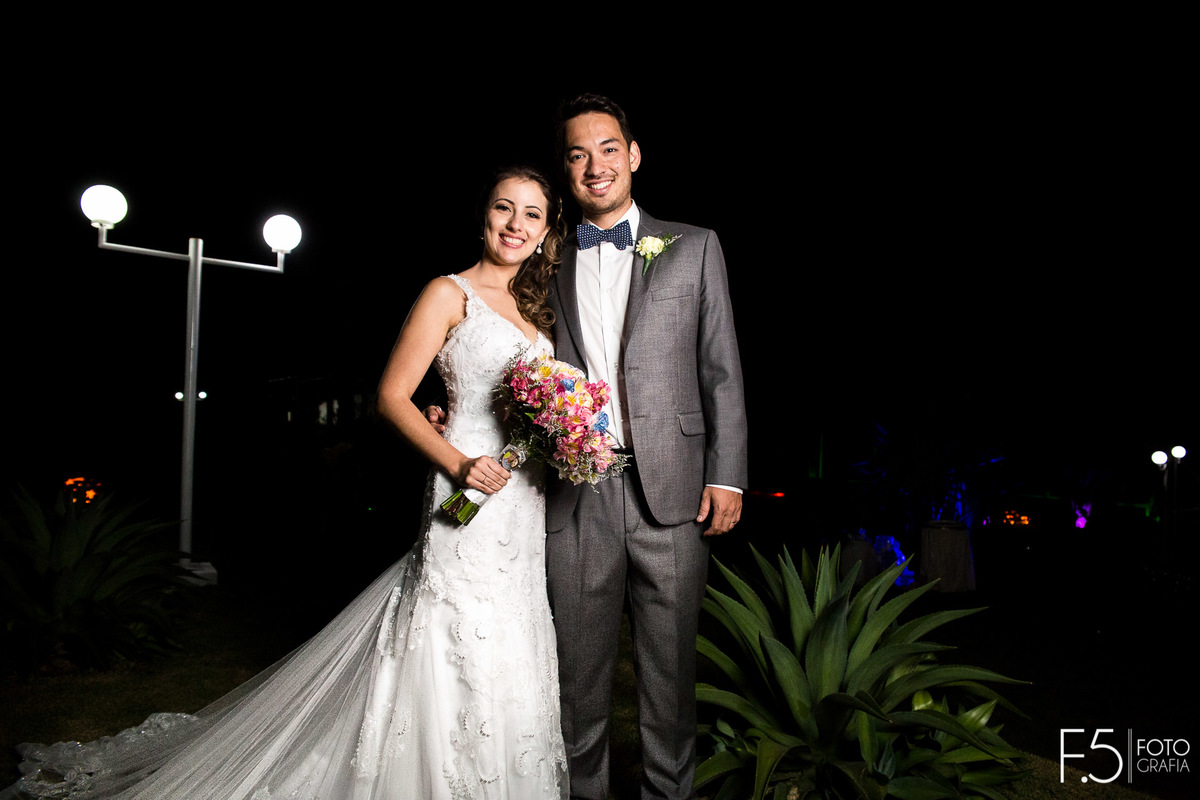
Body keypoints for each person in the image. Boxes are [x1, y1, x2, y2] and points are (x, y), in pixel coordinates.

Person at [4, 166, 570, 800]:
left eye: (531, 214)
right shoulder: (447, 292)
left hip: (521, 501)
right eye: (504, 208)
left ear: (547, 230)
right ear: (483, 215)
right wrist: (458, 462)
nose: (515, 224)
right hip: (462, 488)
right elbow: (390, 397)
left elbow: (531, 402)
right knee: (451, 629)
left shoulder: (535, 311)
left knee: (514, 634)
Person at [545, 94, 748, 800]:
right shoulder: (545, 257)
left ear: (633, 156)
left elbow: (721, 368)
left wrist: (729, 476)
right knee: (578, 690)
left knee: (669, 690)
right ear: (567, 170)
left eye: (607, 149)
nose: (594, 165)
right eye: (577, 154)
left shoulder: (694, 246)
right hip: (575, 500)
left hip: (675, 496)